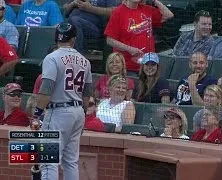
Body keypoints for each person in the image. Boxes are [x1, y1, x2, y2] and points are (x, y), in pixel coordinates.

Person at [30, 22, 92, 180]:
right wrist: (82, 114)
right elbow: (87, 93)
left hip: (58, 111)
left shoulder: (52, 58)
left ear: (56, 38)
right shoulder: (85, 61)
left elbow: (46, 89)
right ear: (73, 39)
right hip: (78, 111)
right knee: (70, 161)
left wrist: (37, 114)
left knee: (48, 161)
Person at [104, 0, 174, 74]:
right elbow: (110, 40)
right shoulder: (118, 12)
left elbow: (169, 15)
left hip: (148, 66)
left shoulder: (147, 9)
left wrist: (154, 1)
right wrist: (129, 49)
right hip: (128, 67)